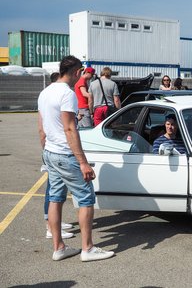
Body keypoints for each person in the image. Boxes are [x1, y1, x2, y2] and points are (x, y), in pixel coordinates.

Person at [38, 55, 114, 262]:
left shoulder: (45, 92)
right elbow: (70, 128)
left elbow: (41, 128)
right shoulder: (67, 94)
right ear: (76, 72)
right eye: (81, 72)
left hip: (51, 152)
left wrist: (46, 152)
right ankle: (87, 248)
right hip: (65, 153)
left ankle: (58, 247)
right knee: (86, 198)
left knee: (55, 198)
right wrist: (82, 162)